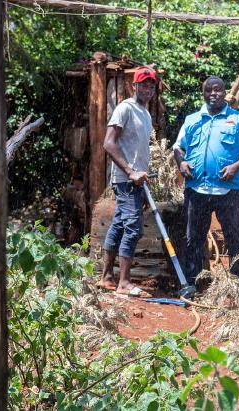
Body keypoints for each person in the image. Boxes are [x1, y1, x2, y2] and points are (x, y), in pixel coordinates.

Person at [173, 76, 239, 284]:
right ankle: (194, 283)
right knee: (194, 238)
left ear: (224, 92)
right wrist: (181, 164)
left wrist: (235, 167)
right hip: (197, 190)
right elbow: (178, 147)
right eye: (209, 90)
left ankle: (238, 284)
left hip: (229, 191)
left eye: (218, 90)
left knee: (234, 237)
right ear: (203, 94)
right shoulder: (192, 119)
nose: (213, 94)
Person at [97, 67, 157, 296]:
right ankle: (124, 283)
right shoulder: (125, 109)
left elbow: (138, 150)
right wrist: (131, 172)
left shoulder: (146, 113)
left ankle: (106, 278)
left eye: (151, 86)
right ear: (134, 86)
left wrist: (141, 178)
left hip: (136, 181)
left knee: (120, 225)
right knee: (133, 228)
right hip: (125, 179)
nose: (148, 90)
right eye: (144, 85)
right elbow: (108, 143)